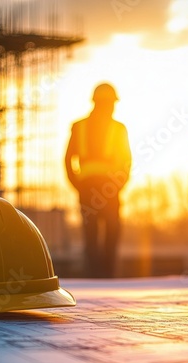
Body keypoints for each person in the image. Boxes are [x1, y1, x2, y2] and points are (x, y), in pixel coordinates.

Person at [65, 83, 132, 278]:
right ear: (106, 103)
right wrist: (119, 184)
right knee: (110, 231)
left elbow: (68, 159)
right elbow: (127, 162)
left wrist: (77, 185)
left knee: (92, 233)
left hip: (88, 187)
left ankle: (95, 275)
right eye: (111, 103)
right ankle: (106, 275)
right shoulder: (118, 128)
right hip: (107, 187)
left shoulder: (79, 126)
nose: (112, 107)